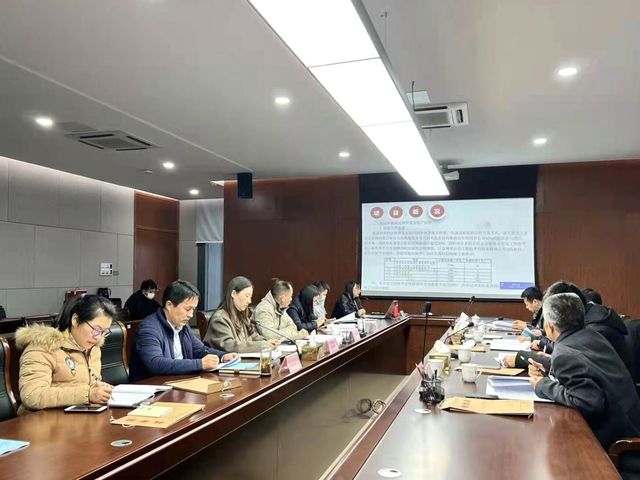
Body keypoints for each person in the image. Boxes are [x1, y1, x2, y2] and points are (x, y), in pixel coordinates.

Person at [530, 292, 640, 450]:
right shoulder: (591, 334)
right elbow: (587, 374)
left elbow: (587, 403)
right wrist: (550, 371)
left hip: (617, 442)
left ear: (549, 326)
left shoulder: (564, 354)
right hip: (630, 423)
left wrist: (543, 385)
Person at [15, 295, 116, 414]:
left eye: (104, 332)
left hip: (78, 416)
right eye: (96, 329)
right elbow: (32, 396)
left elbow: (89, 385)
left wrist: (101, 390)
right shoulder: (43, 347)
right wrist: (87, 394)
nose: (98, 337)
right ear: (75, 320)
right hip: (42, 420)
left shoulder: (93, 349)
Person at [129, 280, 236, 382]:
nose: (191, 315)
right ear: (169, 305)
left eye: (193, 309)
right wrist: (200, 364)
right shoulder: (149, 328)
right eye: (187, 309)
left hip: (180, 382)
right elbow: (156, 364)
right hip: (154, 387)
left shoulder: (183, 325)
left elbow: (200, 350)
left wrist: (223, 356)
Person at [205, 276, 279, 353]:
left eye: (250, 297)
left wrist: (267, 342)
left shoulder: (241, 315)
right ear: (233, 294)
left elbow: (252, 336)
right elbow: (230, 346)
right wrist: (262, 345)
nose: (249, 301)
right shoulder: (220, 319)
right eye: (246, 296)